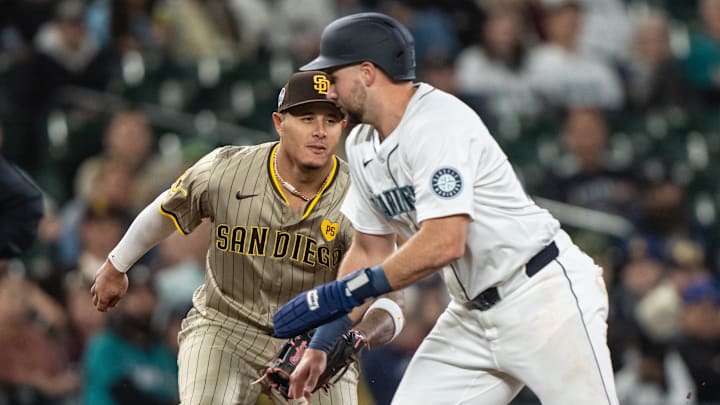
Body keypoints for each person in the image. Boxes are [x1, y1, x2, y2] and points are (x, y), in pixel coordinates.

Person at [272, 12, 620, 404]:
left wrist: (345, 292)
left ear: (367, 72)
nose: (328, 91)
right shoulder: (360, 143)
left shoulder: (438, 123)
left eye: (334, 77)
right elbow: (370, 252)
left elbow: (445, 242)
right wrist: (325, 338)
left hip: (541, 296)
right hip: (471, 316)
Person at [90, 70, 404, 405]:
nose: (319, 131)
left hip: (313, 341)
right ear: (279, 123)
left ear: (342, 127)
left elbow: (393, 300)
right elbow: (165, 210)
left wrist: (356, 336)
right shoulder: (228, 169)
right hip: (225, 327)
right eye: (306, 117)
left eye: (330, 120)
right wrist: (116, 264)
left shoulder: (359, 196)